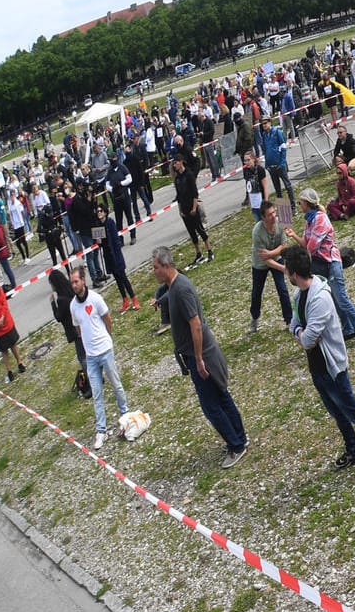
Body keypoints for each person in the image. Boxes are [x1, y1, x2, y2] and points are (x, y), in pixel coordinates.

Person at [284, 245, 355, 484]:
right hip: (317, 368)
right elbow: (294, 327)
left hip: (333, 369)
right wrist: (302, 332)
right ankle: (353, 449)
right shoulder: (300, 295)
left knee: (353, 412)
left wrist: (303, 335)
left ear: (293, 273)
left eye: (286, 272)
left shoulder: (319, 298)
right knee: (336, 412)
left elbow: (309, 339)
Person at [149, 246, 247, 468]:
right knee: (221, 397)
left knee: (212, 405)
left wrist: (200, 359)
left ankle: (236, 445)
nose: (153, 272)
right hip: (198, 355)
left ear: (166, 266)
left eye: (155, 268)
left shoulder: (181, 289)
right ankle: (239, 438)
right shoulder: (174, 286)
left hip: (201, 356)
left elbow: (195, 325)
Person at [288, 187, 355, 348]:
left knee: (341, 299)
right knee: (333, 299)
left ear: (307, 203)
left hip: (331, 262)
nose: (299, 205)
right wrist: (293, 235)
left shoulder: (320, 219)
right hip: (320, 263)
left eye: (300, 202)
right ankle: (348, 330)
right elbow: (305, 243)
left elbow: (310, 248)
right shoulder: (309, 221)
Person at [69, 266, 132, 450]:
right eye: (72, 282)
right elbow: (78, 328)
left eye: (76, 281)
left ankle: (125, 417)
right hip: (90, 357)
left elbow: (107, 319)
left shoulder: (95, 298)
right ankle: (101, 430)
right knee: (97, 393)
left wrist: (107, 339)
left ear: (83, 281)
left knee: (116, 384)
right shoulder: (73, 305)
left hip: (105, 350)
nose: (74, 285)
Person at [250, 197, 293, 332]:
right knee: (257, 292)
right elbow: (264, 258)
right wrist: (281, 267)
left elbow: (285, 245)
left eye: (274, 212)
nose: (274, 216)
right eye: (270, 214)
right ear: (263, 218)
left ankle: (289, 320)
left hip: (276, 257)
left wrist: (271, 253)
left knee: (282, 289)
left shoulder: (281, 222)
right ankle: (255, 317)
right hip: (260, 264)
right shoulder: (257, 231)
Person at [171, 155, 213, 266]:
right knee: (191, 232)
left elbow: (195, 193)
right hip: (184, 209)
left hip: (192, 207)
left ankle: (209, 250)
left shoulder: (188, 175)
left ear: (181, 162)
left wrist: (194, 208)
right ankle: (198, 253)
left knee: (200, 229)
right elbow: (178, 196)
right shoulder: (177, 178)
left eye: (176, 163)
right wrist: (180, 210)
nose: (174, 165)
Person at [0, 279, 21, 383]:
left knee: (4, 351)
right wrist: (2, 317)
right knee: (13, 344)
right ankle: (20, 363)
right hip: (7, 322)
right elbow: (4, 304)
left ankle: (9, 371)